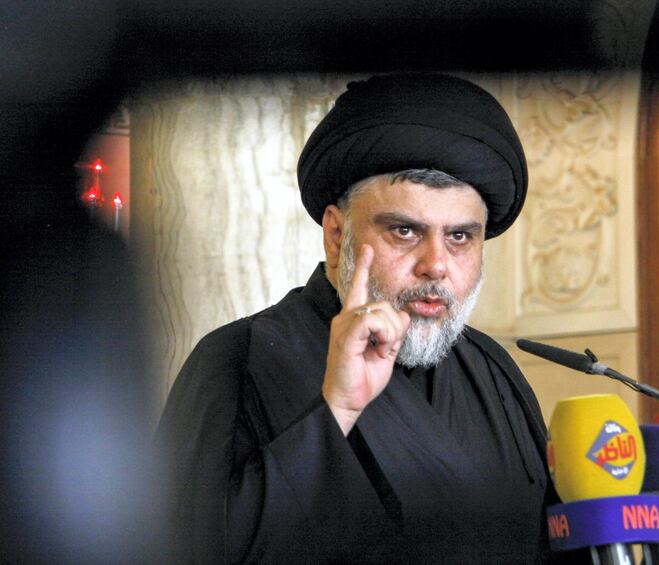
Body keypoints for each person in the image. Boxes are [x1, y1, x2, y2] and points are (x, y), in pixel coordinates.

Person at [156, 73, 561, 563]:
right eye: (406, 231)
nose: (437, 264)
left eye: (460, 237)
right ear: (336, 234)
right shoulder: (237, 360)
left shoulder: (494, 372)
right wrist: (336, 413)